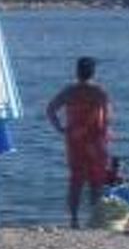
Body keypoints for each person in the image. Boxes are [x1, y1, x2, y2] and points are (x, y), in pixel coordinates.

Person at [46, 56, 113, 229]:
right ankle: (94, 219)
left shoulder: (69, 91)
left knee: (76, 180)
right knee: (96, 181)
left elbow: (50, 109)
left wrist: (60, 128)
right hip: (95, 139)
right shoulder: (99, 92)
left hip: (74, 139)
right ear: (93, 72)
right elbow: (107, 118)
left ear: (77, 71)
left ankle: (74, 220)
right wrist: (105, 135)